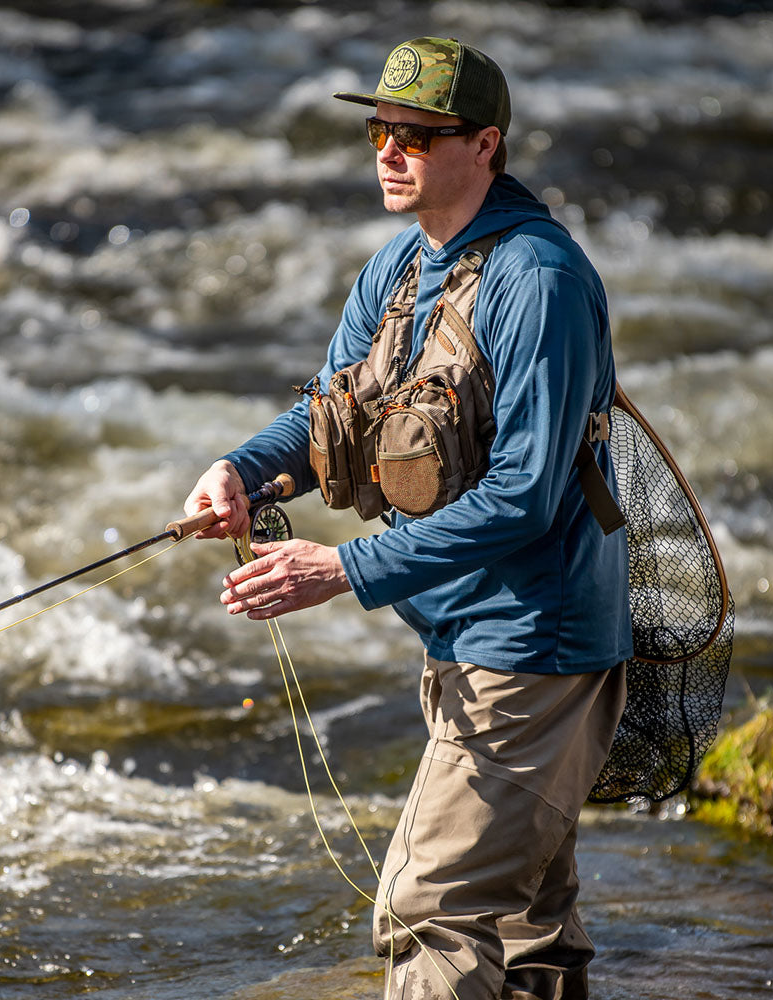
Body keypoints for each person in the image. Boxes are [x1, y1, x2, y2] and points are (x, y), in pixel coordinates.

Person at [182, 36, 633, 1000]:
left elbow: (526, 496)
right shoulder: (395, 269)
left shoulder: (540, 281)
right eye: (381, 129)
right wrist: (241, 472)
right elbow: (325, 415)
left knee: (429, 911)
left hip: (536, 647)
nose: (390, 150)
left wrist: (342, 568)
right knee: (528, 931)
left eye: (419, 135)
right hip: (465, 638)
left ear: (486, 146)